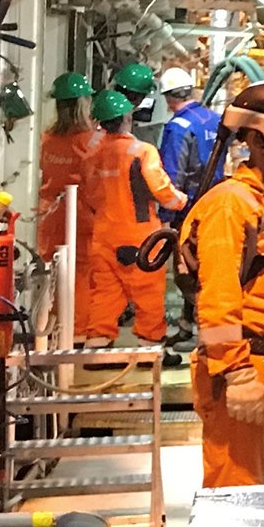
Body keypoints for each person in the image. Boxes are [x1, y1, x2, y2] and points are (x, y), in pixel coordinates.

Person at [180, 84, 264, 522]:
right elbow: (218, 295)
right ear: (260, 142)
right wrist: (236, 371)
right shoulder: (231, 205)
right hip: (242, 366)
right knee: (237, 501)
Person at [84, 88, 186, 348]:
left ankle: (98, 344)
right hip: (139, 235)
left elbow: (90, 194)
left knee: (105, 292)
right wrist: (182, 202)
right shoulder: (142, 151)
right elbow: (161, 190)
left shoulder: (93, 154)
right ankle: (150, 345)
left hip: (103, 235)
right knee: (147, 292)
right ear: (127, 118)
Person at [36, 73, 98, 342]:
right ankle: (77, 333)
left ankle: (54, 330)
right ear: (84, 103)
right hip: (81, 215)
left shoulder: (46, 138)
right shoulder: (91, 140)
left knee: (53, 276)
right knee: (81, 275)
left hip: (49, 214)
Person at [158, 68, 223, 210]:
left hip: (190, 206)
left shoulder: (177, 127)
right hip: (216, 201)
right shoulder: (216, 119)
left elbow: (174, 174)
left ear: (168, 97)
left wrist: (167, 214)